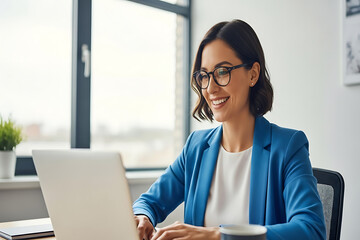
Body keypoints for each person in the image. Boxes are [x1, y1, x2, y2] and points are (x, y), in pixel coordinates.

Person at [133, 19, 326, 240]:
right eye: (204, 75)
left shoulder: (288, 147)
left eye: (222, 71)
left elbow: (311, 230)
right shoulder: (196, 147)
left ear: (253, 74)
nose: (211, 88)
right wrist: (143, 216)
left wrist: (218, 236)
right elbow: (149, 202)